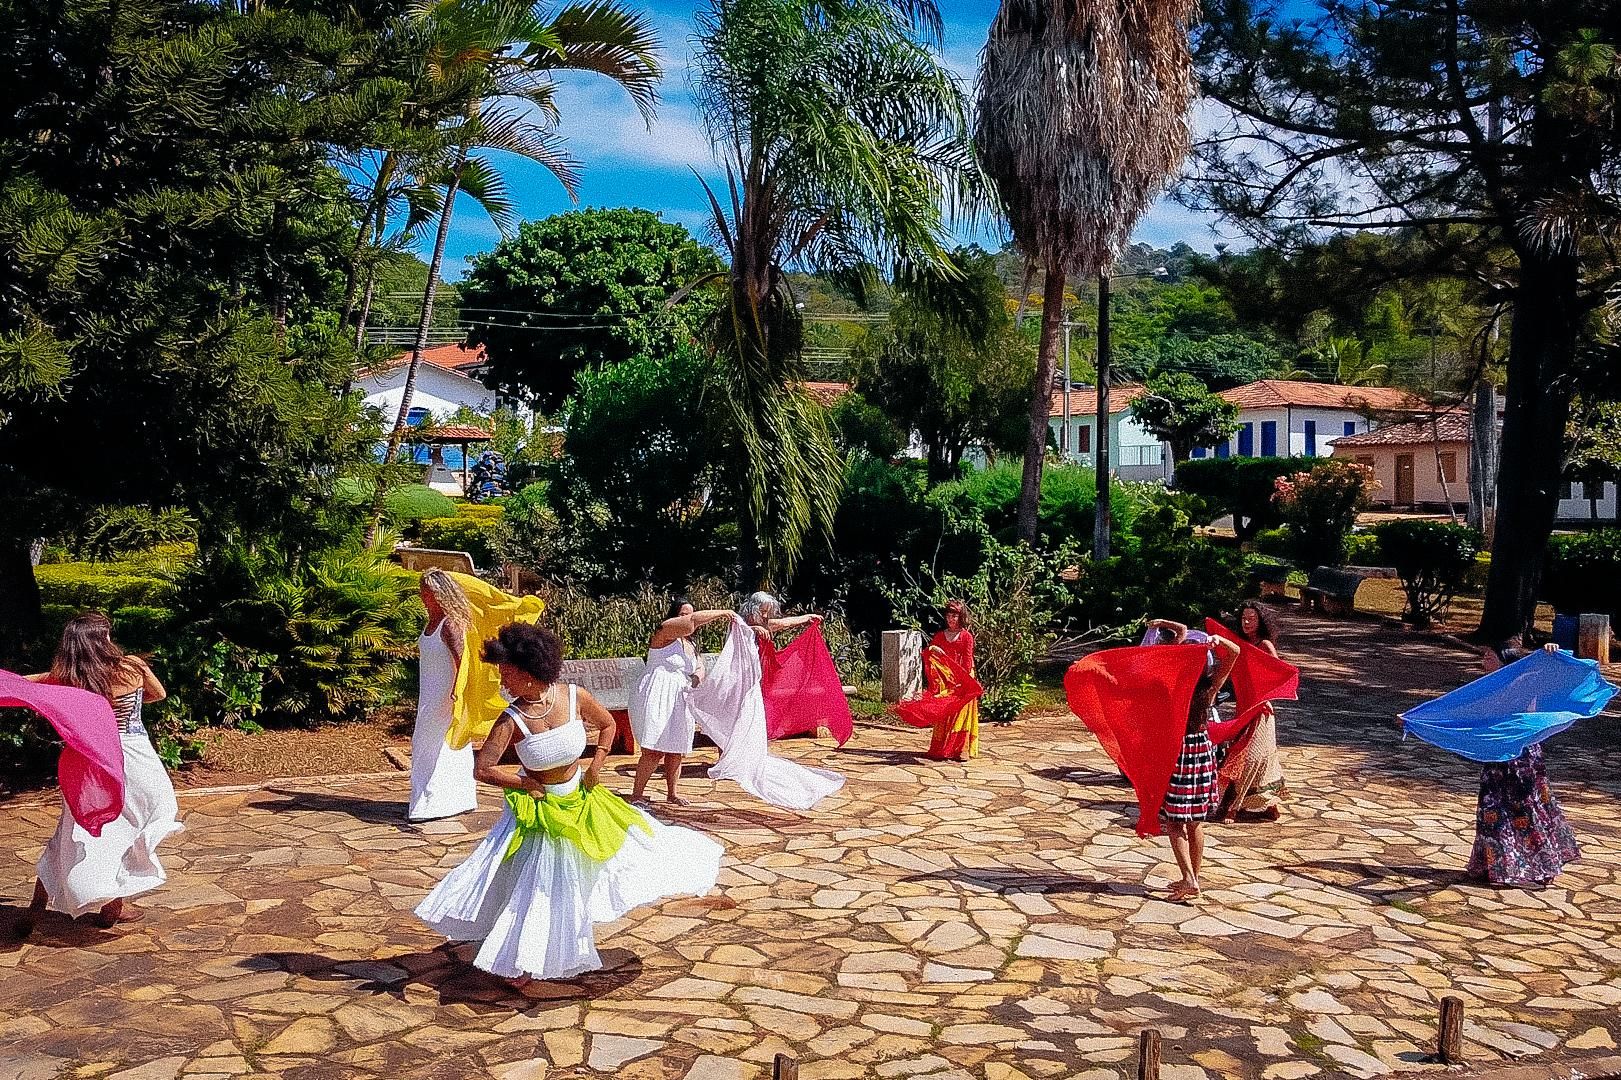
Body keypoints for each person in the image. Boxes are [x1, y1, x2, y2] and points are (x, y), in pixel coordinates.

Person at [416, 623, 722, 987]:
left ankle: (554, 945)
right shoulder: (511, 719)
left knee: (609, 865)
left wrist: (596, 766)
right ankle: (525, 961)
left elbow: (608, 726)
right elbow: (482, 768)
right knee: (541, 886)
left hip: (581, 800)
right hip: (542, 812)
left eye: (507, 671)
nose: (503, 680)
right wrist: (523, 782)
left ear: (530, 670)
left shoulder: (574, 696)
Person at [18, 614, 183, 936]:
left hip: (89, 759)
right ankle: (112, 906)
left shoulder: (68, 676)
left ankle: (41, 908)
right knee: (141, 822)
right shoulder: (132, 666)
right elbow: (158, 694)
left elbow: (28, 686)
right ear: (102, 638)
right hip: (134, 757)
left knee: (73, 832)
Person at [1467, 640, 1580, 887]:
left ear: (1504, 662)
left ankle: (1545, 864)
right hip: (1496, 762)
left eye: (1490, 654)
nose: (1484, 658)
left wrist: (1552, 653)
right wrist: (1416, 722)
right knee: (1492, 812)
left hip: (1522, 762)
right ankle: (1496, 866)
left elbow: (1557, 678)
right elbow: (1456, 712)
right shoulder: (1485, 688)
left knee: (1527, 811)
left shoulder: (1526, 686)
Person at [628, 598, 735, 804]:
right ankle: (637, 794)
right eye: (682, 613)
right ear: (673, 615)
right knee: (654, 748)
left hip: (680, 695)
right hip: (658, 692)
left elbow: (699, 668)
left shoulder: (690, 644)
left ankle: (672, 793)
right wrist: (723, 612)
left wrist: (695, 680)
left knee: (677, 747)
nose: (686, 617)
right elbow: (692, 621)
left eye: (688, 613)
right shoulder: (664, 631)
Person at [1163, 634, 1241, 903]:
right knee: (1195, 821)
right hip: (1202, 748)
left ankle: (1188, 879)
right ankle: (1193, 879)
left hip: (1179, 750)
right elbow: (1235, 652)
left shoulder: (1172, 687)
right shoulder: (1209, 686)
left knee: (1174, 822)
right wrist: (1218, 641)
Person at [409, 571, 480, 821]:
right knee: (427, 746)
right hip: (429, 693)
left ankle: (431, 802)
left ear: (440, 593)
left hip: (446, 696)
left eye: (427, 591)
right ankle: (445, 799)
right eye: (422, 591)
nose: (423, 596)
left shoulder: (450, 625)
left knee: (439, 746)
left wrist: (457, 692)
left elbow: (463, 662)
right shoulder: (431, 622)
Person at [1216, 602, 1287, 822]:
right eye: (1244, 618)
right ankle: (1265, 803)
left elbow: (1278, 673)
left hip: (1262, 710)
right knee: (1245, 755)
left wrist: (1266, 699)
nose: (1246, 623)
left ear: (1260, 621)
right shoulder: (1239, 645)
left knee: (1254, 757)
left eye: (1252, 619)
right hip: (1243, 709)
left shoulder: (1264, 645)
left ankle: (1236, 807)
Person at [897, 599, 982, 761]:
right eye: (949, 615)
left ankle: (961, 749)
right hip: (946, 680)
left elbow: (967, 659)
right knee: (945, 713)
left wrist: (961, 679)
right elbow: (932, 658)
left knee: (961, 714)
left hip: (964, 679)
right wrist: (933, 651)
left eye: (954, 616)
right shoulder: (940, 636)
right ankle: (943, 747)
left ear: (961, 617)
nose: (951, 619)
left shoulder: (966, 637)